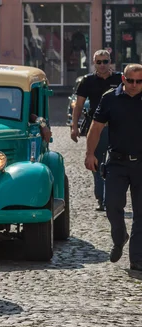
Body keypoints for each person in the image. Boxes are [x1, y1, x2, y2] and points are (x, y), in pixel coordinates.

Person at [84, 63, 142, 271]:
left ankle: (137, 259)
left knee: (140, 213)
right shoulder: (110, 98)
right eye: (131, 80)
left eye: (139, 81)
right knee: (111, 206)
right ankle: (120, 238)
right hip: (117, 162)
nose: (135, 85)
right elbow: (96, 127)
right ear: (123, 79)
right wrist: (90, 153)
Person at [71, 49, 122, 211]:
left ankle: (110, 198)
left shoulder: (120, 79)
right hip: (96, 128)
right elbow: (78, 105)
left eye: (105, 61)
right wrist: (74, 127)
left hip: (117, 128)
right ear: (94, 63)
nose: (102, 65)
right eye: (98, 62)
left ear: (110, 62)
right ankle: (102, 199)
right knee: (96, 163)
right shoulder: (87, 81)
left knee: (115, 164)